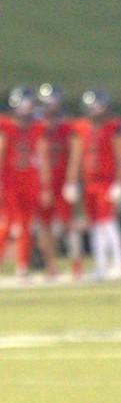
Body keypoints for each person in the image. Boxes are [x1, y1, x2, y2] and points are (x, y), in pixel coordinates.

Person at [64, 90, 121, 281]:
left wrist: (120, 182)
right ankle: (100, 265)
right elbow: (76, 157)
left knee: (108, 223)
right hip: (89, 183)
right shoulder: (80, 128)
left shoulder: (113, 127)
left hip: (106, 182)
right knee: (94, 225)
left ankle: (118, 264)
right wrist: (71, 181)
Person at [37, 84, 85, 280]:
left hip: (62, 180)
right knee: (44, 225)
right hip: (42, 181)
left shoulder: (67, 126)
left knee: (68, 225)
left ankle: (76, 264)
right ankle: (51, 266)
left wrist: (72, 179)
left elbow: (76, 151)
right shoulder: (36, 125)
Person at [0, 86, 47, 279]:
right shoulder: (6, 126)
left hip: (29, 181)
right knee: (7, 223)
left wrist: (44, 185)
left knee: (26, 225)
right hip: (9, 181)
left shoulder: (37, 128)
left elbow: (42, 157)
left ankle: (22, 266)